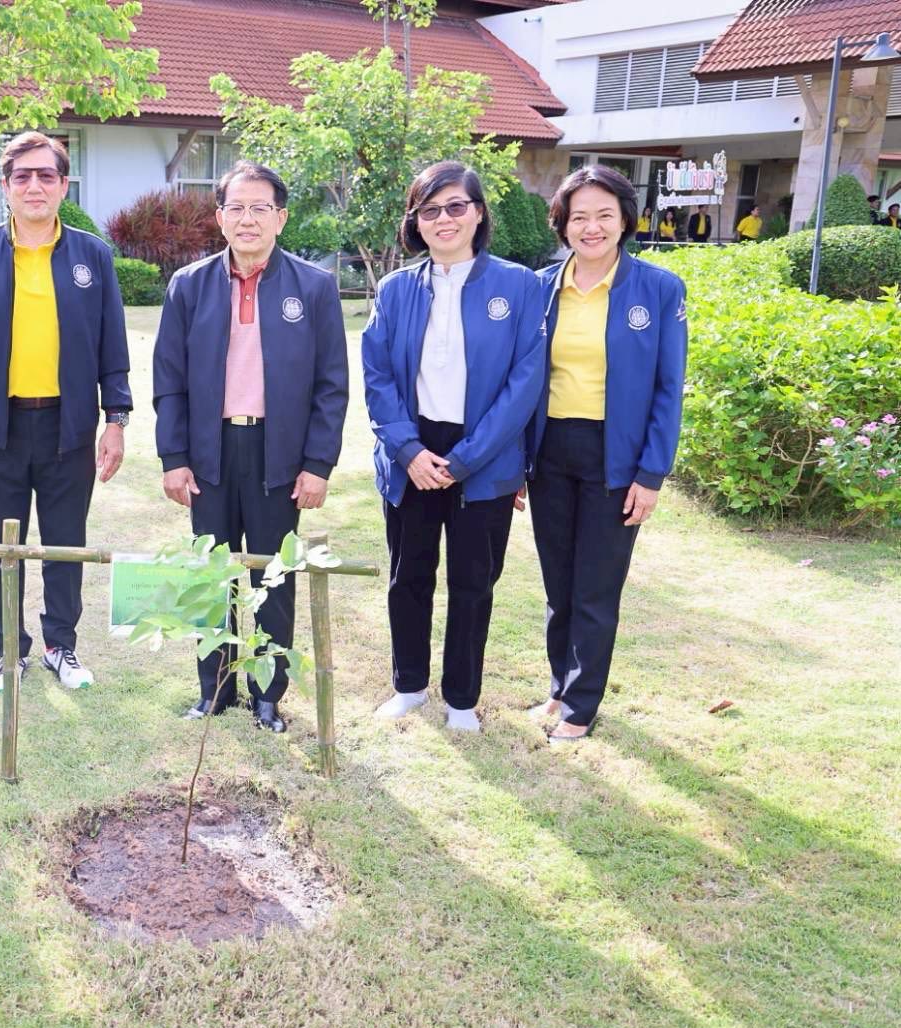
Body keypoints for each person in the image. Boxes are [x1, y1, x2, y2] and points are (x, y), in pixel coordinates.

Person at [153, 161, 348, 732]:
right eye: (235, 208)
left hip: (278, 455)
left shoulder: (313, 287)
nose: (247, 219)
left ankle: (267, 694)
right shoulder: (189, 285)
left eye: (260, 208)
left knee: (272, 577)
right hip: (209, 453)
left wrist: (318, 465)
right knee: (209, 575)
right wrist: (174, 458)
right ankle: (213, 690)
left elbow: (331, 385)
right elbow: (169, 379)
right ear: (219, 217)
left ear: (280, 218)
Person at [0, 131, 133, 695]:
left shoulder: (92, 255)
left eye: (46, 175)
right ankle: (9, 652)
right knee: (4, 547)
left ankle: (60, 646)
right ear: (5, 186)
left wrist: (115, 420)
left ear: (64, 185)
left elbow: (111, 344)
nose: (34, 186)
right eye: (21, 176)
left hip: (70, 427)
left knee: (65, 542)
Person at [363, 162, 545, 732]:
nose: (444, 219)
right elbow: (377, 378)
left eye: (456, 206)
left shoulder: (520, 285)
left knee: (473, 582)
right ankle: (409, 685)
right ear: (415, 221)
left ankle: (461, 699)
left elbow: (525, 382)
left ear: (479, 213)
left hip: (484, 456)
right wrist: (408, 451)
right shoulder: (395, 289)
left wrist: (468, 458)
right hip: (412, 453)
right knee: (408, 576)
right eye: (430, 210)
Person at [527, 165, 687, 741]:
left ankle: (581, 707)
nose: (590, 227)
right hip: (549, 451)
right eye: (579, 217)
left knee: (595, 586)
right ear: (563, 224)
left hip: (616, 456)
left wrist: (651, 473)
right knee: (558, 582)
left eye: (603, 215)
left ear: (624, 220)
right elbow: (522, 380)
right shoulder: (540, 288)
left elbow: (668, 388)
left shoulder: (659, 289)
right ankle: (559, 687)